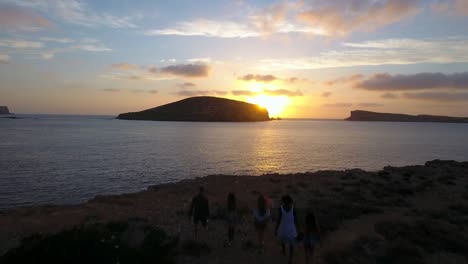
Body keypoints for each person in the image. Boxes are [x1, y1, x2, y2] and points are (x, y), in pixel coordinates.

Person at [275, 195, 298, 264]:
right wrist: (297, 229)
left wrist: (276, 229)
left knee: (282, 240)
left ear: (283, 202)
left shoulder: (281, 209)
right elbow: (296, 220)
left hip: (283, 228)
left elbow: (279, 220)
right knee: (291, 245)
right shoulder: (293, 209)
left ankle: (284, 250)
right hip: (291, 229)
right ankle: (290, 259)